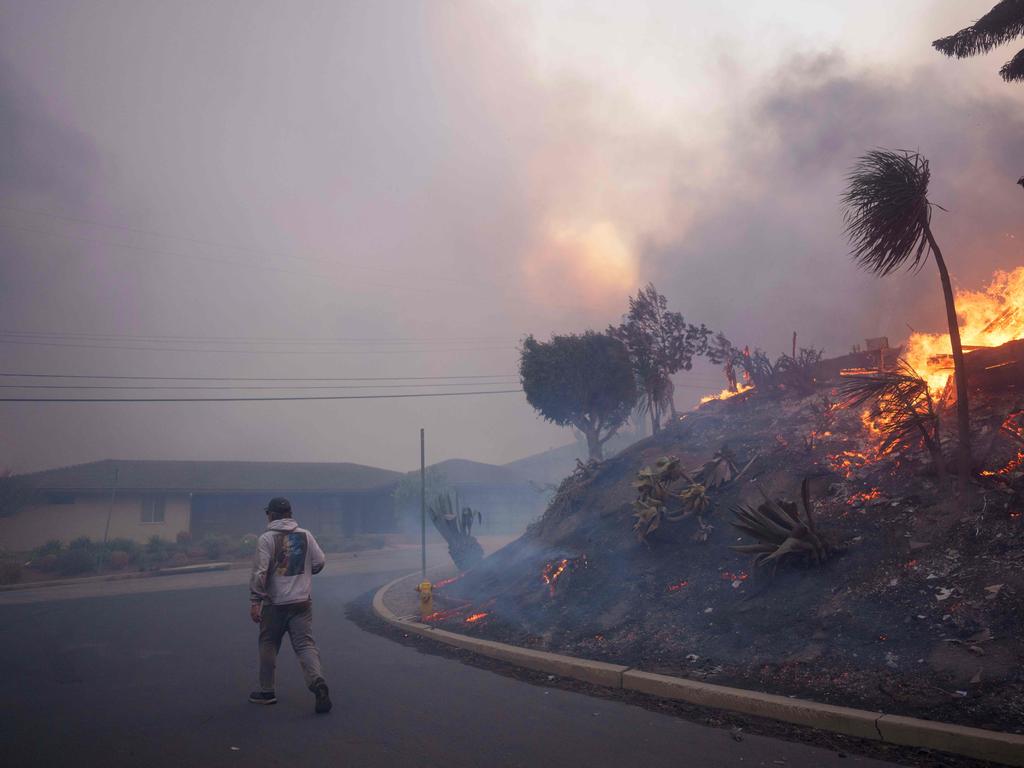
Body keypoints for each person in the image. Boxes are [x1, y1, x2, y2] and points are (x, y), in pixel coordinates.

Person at [248, 496, 332, 713]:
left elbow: (260, 572)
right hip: (302, 602)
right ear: (290, 514)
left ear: (272, 515)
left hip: (275, 604)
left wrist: (255, 601)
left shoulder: (266, 539)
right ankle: (317, 682)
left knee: (268, 643)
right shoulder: (305, 535)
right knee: (305, 645)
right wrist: (307, 573)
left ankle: (267, 692)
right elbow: (320, 561)